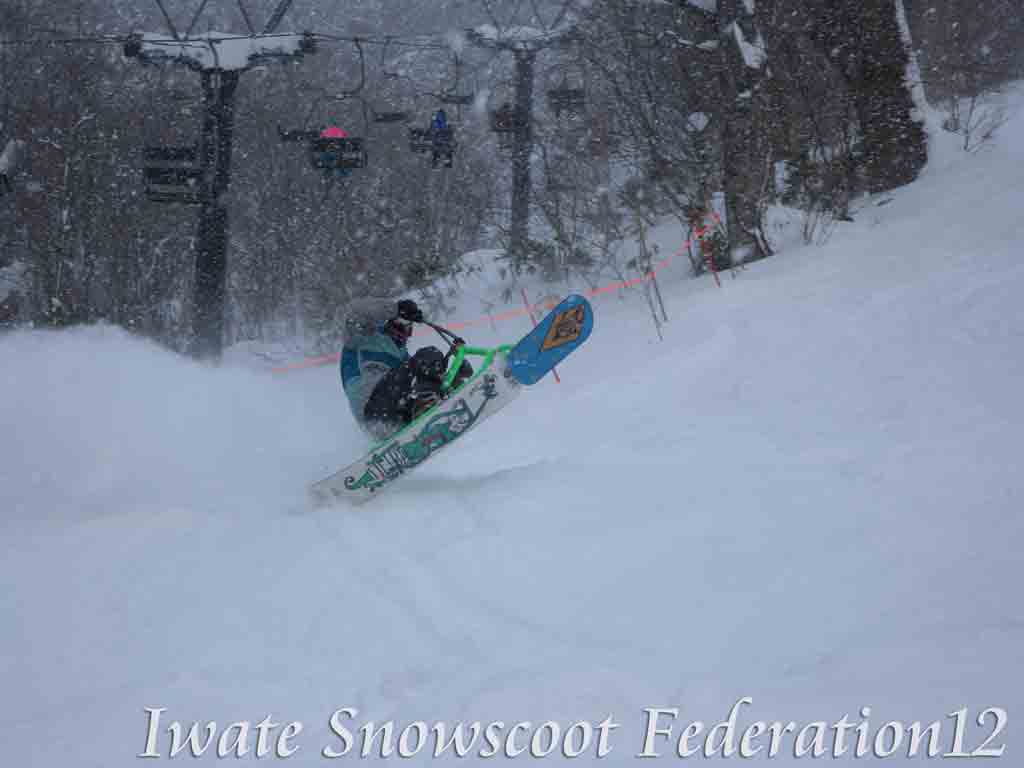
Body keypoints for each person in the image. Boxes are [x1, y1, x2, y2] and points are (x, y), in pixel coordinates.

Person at [340, 297, 471, 440]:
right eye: (401, 326)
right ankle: (427, 407)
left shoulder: (402, 357)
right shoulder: (362, 338)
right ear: (387, 322)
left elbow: (420, 376)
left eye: (409, 329)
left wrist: (448, 361)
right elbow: (355, 312)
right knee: (428, 354)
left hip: (398, 415)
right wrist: (396, 308)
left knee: (428, 366)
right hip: (373, 412)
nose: (404, 334)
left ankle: (449, 392)